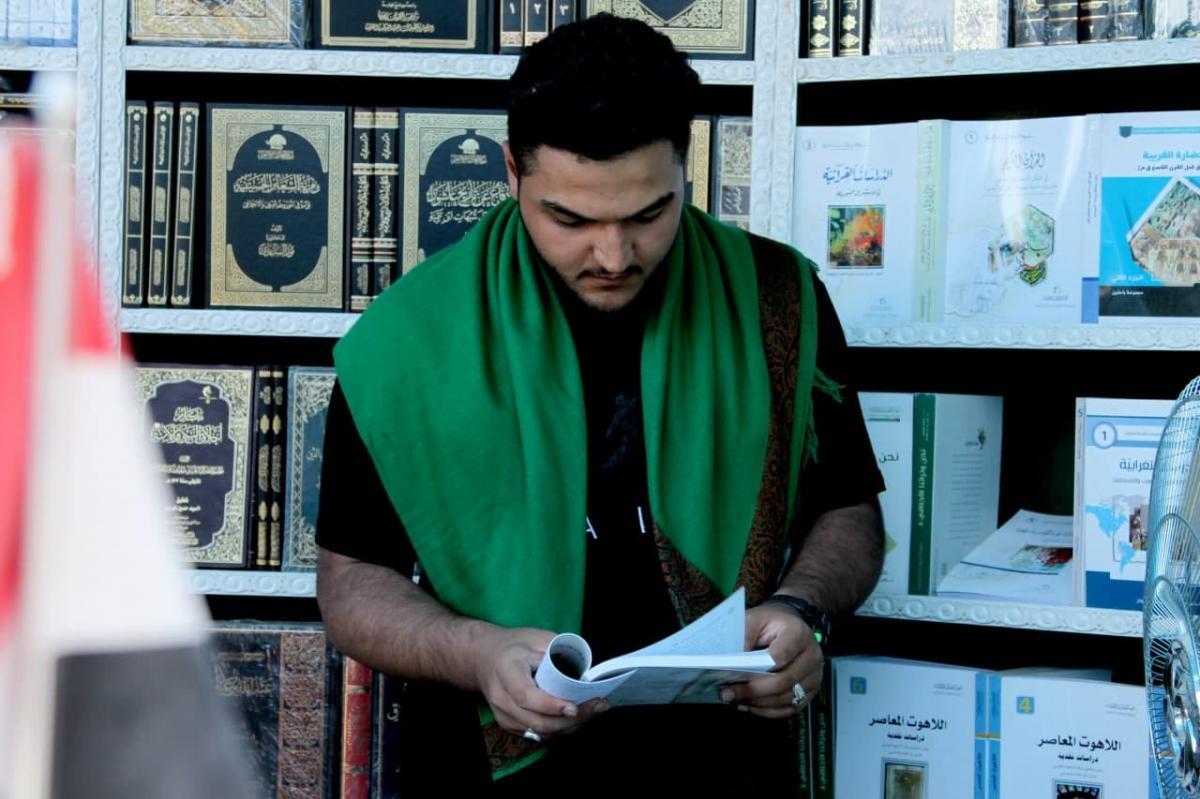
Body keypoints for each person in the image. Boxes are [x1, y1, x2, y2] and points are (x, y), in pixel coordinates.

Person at [316, 13, 884, 795]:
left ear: (685, 164)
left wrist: (800, 609)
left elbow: (849, 512)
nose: (614, 256)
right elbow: (351, 580)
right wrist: (477, 651)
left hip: (727, 764)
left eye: (649, 214)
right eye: (571, 219)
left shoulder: (780, 300)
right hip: (486, 772)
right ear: (512, 171)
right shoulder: (405, 342)